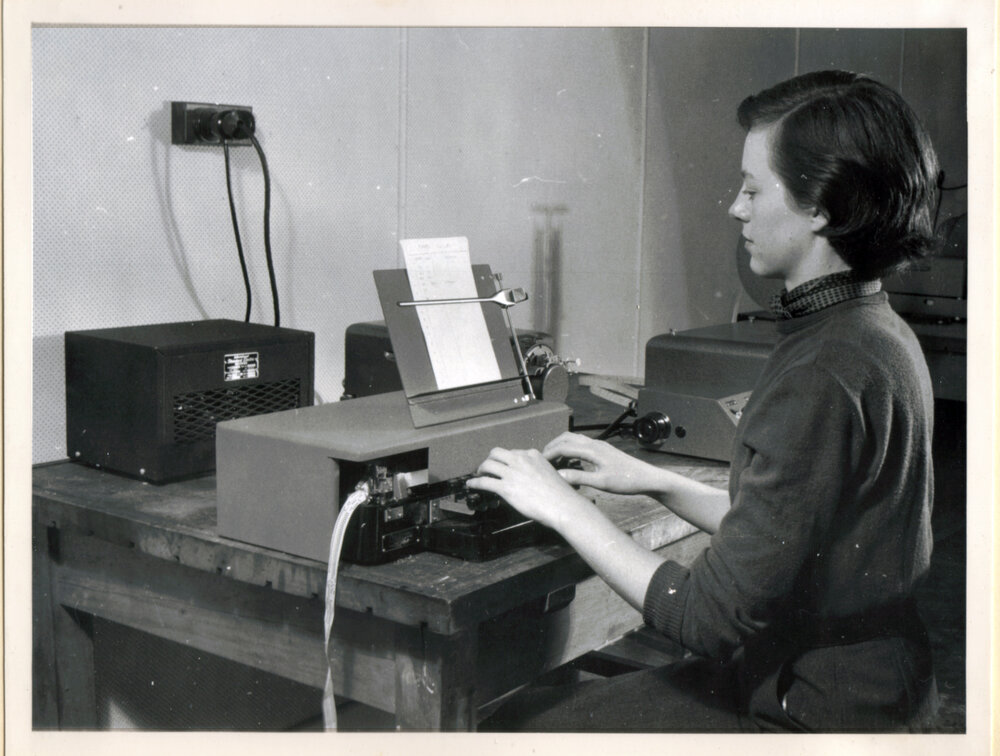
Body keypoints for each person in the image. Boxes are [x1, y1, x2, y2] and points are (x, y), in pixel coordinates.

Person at [467, 70, 941, 733]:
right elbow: (785, 534)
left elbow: (706, 619)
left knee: (518, 730)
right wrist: (648, 479)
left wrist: (564, 508)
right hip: (873, 684)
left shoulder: (825, 369)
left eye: (752, 189)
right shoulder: (870, 328)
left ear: (822, 208)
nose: (735, 208)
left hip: (817, 710)